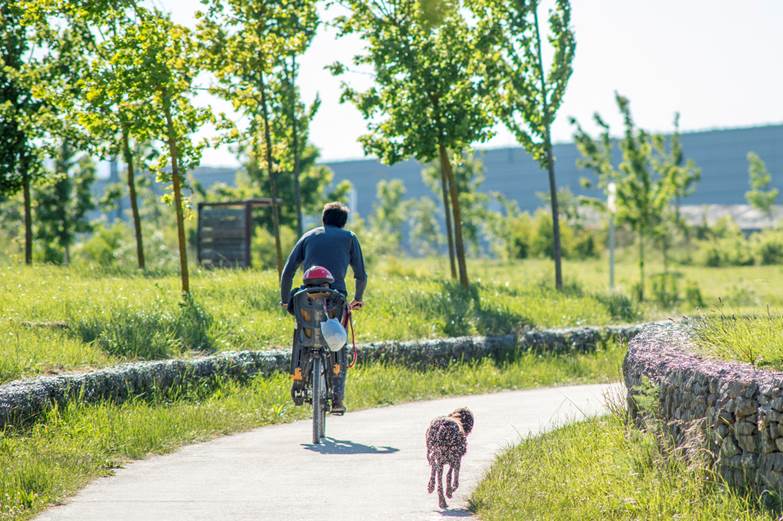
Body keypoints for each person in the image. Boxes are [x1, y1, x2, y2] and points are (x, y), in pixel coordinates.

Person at [280, 202, 367, 414]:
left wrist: (285, 300)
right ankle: (337, 397)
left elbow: (288, 272)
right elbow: (361, 275)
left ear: (324, 219)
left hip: (306, 298)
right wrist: (358, 298)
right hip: (336, 300)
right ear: (343, 222)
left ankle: (298, 377)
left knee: (302, 332)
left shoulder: (308, 236)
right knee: (339, 344)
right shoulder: (349, 238)